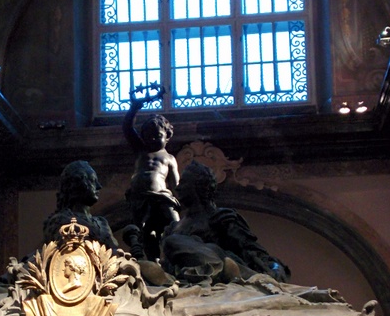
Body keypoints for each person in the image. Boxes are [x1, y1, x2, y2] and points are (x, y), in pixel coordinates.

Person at [160, 160, 290, 283]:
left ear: (198, 186)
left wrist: (275, 269)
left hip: (224, 262)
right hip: (184, 275)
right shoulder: (173, 227)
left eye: (183, 183)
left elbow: (252, 252)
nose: (178, 188)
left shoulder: (221, 217)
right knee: (173, 243)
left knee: (175, 241)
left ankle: (232, 272)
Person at [122, 84, 180, 261]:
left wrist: (182, 197)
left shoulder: (169, 158)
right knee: (145, 232)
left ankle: (178, 252)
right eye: (148, 136)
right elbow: (127, 128)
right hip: (140, 196)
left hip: (162, 196)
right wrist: (134, 107)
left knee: (175, 225)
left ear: (167, 136)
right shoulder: (141, 150)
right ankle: (151, 261)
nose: (152, 139)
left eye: (157, 135)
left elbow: (176, 183)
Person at [42, 160, 118, 251]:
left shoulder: (102, 223)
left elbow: (114, 252)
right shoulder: (60, 221)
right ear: (78, 184)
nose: (99, 186)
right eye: (93, 180)